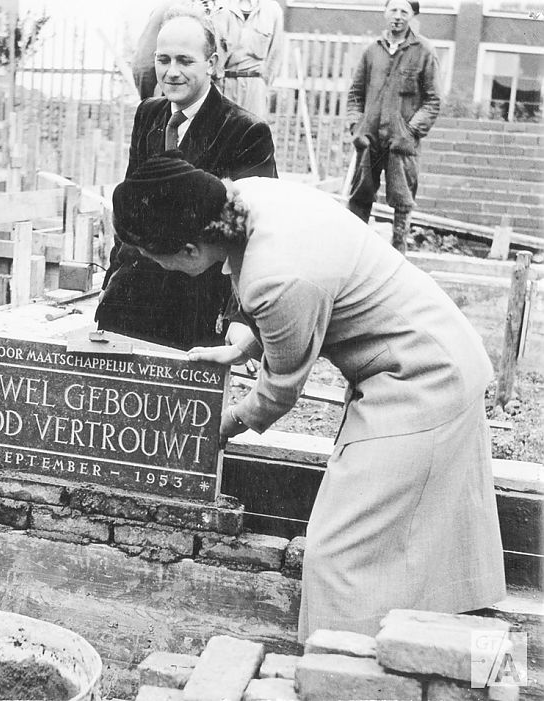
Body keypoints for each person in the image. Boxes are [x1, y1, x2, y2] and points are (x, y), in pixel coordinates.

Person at [111, 152, 506, 641]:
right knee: (406, 546)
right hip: (428, 357)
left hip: (423, 379)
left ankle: (340, 672)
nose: (156, 266)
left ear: (191, 251)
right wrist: (242, 345)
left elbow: (280, 390)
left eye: (154, 256)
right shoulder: (248, 195)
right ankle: (411, 663)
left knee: (338, 553)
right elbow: (306, 297)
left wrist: (219, 426)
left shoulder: (277, 278)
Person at [97, 3, 277, 350]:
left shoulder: (245, 131)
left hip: (196, 305)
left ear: (212, 64)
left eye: (185, 61)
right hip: (133, 292)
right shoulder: (148, 114)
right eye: (163, 60)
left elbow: (257, 234)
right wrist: (112, 280)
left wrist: (241, 319)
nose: (171, 72)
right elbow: (131, 210)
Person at [346, 0, 441, 254]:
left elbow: (433, 101)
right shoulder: (372, 51)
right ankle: (354, 255)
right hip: (369, 140)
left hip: (401, 143)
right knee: (360, 198)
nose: (397, 17)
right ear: (385, 12)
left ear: (413, 15)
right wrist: (357, 126)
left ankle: (399, 258)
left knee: (402, 201)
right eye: (393, 10)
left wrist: (409, 132)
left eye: (404, 12)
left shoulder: (424, 51)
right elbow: (355, 94)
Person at [212, 0, 284, 119]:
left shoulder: (272, 10)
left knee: (254, 132)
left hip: (255, 86)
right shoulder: (221, 8)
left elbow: (275, 52)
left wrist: (262, 84)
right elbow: (212, 49)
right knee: (222, 132)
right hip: (224, 84)